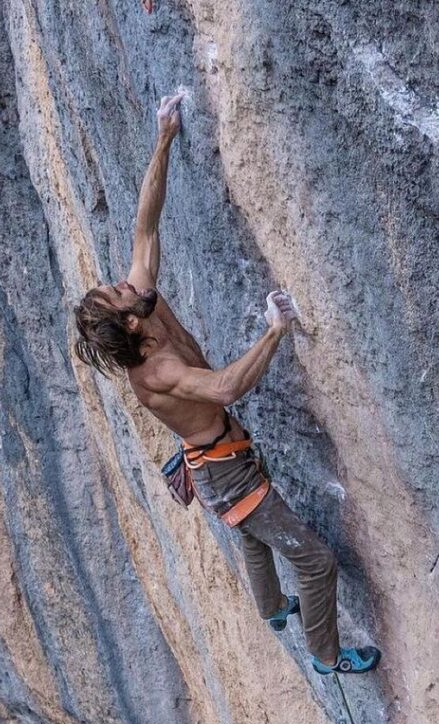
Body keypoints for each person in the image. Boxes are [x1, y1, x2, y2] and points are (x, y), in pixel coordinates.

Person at [74, 92, 380, 675]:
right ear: (130, 322)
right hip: (224, 473)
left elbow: (145, 227)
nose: (122, 280)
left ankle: (270, 607)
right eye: (117, 292)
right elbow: (224, 389)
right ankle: (326, 655)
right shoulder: (157, 371)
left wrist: (163, 137)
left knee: (254, 532)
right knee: (315, 562)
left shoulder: (143, 305)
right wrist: (275, 332)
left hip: (214, 459)